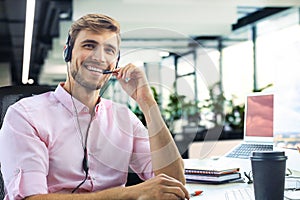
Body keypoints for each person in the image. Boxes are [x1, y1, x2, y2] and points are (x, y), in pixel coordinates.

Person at [0, 14, 189, 199]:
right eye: (89, 45)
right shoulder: (25, 116)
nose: (99, 57)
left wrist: (148, 103)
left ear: (115, 62)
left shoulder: (124, 117)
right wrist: (130, 193)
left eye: (109, 50)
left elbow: (173, 184)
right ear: (68, 52)